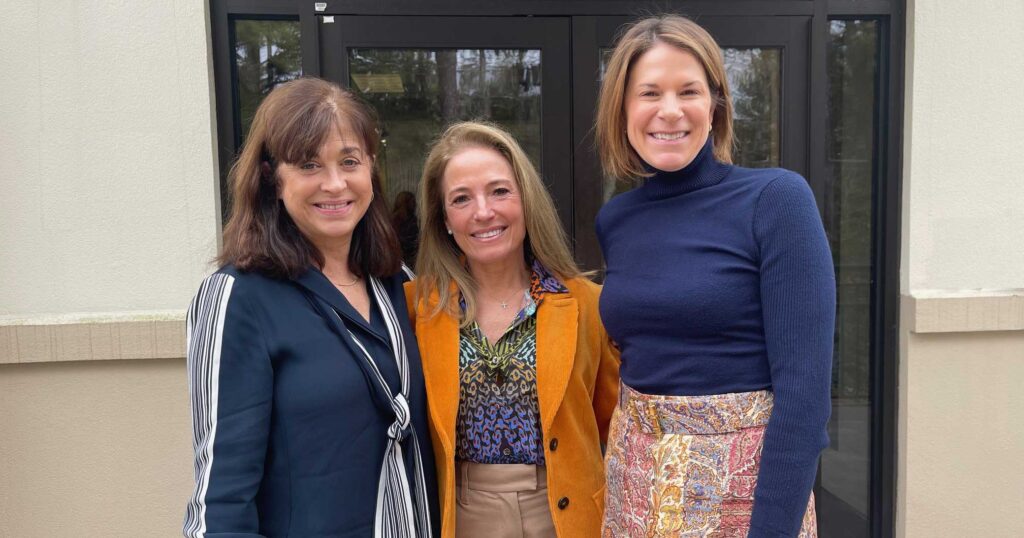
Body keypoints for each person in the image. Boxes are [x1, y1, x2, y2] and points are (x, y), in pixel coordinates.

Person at [594, 15, 835, 538]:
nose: (670, 110)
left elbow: (805, 397)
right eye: (649, 93)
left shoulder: (776, 201)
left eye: (689, 91)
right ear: (623, 108)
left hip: (744, 494)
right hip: (634, 483)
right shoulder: (617, 220)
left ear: (716, 104)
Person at [182, 77, 438, 538]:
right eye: (308, 164)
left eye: (349, 161)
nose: (335, 183)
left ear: (370, 171)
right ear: (271, 179)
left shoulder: (400, 285)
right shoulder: (237, 298)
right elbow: (222, 495)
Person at [407, 121, 620, 538]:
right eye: (461, 199)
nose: (483, 211)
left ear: (526, 200)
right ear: (445, 219)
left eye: (499, 191)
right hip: (462, 513)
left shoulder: (586, 304)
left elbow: (614, 427)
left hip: (568, 515)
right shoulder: (417, 308)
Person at [392, 190, 420, 267]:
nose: (415, 204)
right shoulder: (398, 220)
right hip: (404, 258)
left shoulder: (392, 218)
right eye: (412, 201)